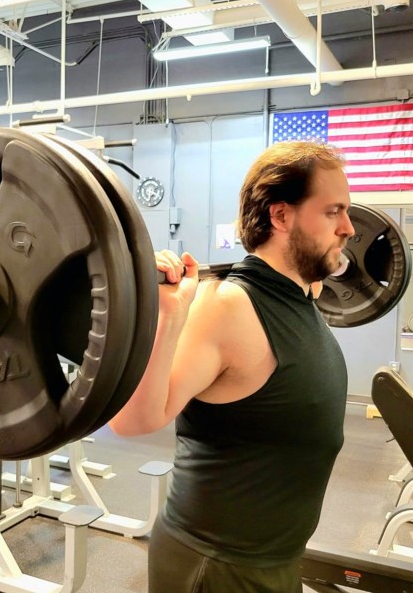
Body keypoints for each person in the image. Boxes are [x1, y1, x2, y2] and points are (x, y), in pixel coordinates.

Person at [108, 141, 357, 593]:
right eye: (333, 212)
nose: (349, 227)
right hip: (217, 567)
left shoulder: (301, 295)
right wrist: (169, 315)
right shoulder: (229, 305)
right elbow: (132, 420)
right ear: (281, 216)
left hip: (271, 561)